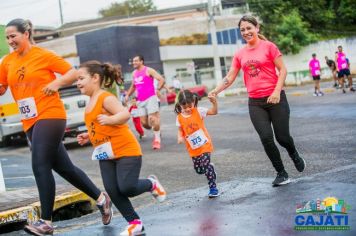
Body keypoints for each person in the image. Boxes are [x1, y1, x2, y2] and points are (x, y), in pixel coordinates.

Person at [0, 19, 112, 235]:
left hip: (50, 114)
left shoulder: (43, 55)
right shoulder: (7, 62)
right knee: (64, 167)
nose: (10, 40)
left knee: (39, 164)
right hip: (30, 120)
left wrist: (56, 83)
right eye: (7, 37)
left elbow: (72, 72)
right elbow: (3, 87)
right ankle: (101, 198)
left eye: (13, 36)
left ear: (26, 34)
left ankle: (46, 221)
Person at [209, 15, 306, 187]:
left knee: (282, 137)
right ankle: (281, 173)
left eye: (249, 28)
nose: (246, 32)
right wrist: (216, 90)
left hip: (276, 99)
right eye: (242, 30)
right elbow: (230, 77)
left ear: (257, 28)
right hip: (255, 102)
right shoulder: (240, 54)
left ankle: (294, 153)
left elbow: (282, 70)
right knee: (266, 138)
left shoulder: (269, 47)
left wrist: (276, 91)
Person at [76, 60, 167, 236]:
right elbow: (97, 125)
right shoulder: (89, 103)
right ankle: (135, 223)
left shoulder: (105, 97)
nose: (77, 82)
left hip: (126, 150)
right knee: (112, 189)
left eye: (81, 78)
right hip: (105, 154)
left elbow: (125, 113)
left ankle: (151, 184)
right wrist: (89, 135)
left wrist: (111, 120)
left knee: (126, 187)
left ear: (95, 78)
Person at [175, 90, 219, 198]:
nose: (188, 109)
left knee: (205, 165)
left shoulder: (199, 111)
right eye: (185, 107)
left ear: (194, 101)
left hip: (204, 144)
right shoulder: (179, 118)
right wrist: (180, 137)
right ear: (180, 105)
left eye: (190, 106)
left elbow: (214, 112)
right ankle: (210, 168)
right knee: (199, 170)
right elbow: (180, 130)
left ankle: (213, 188)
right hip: (193, 148)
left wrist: (214, 103)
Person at [125, 55, 165, 150]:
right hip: (140, 101)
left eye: (136, 61)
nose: (134, 62)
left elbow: (161, 79)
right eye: (133, 61)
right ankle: (157, 129)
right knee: (144, 124)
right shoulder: (134, 73)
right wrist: (127, 95)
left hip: (151, 98)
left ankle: (157, 140)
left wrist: (158, 89)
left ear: (141, 61)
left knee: (152, 119)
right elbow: (133, 86)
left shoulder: (149, 70)